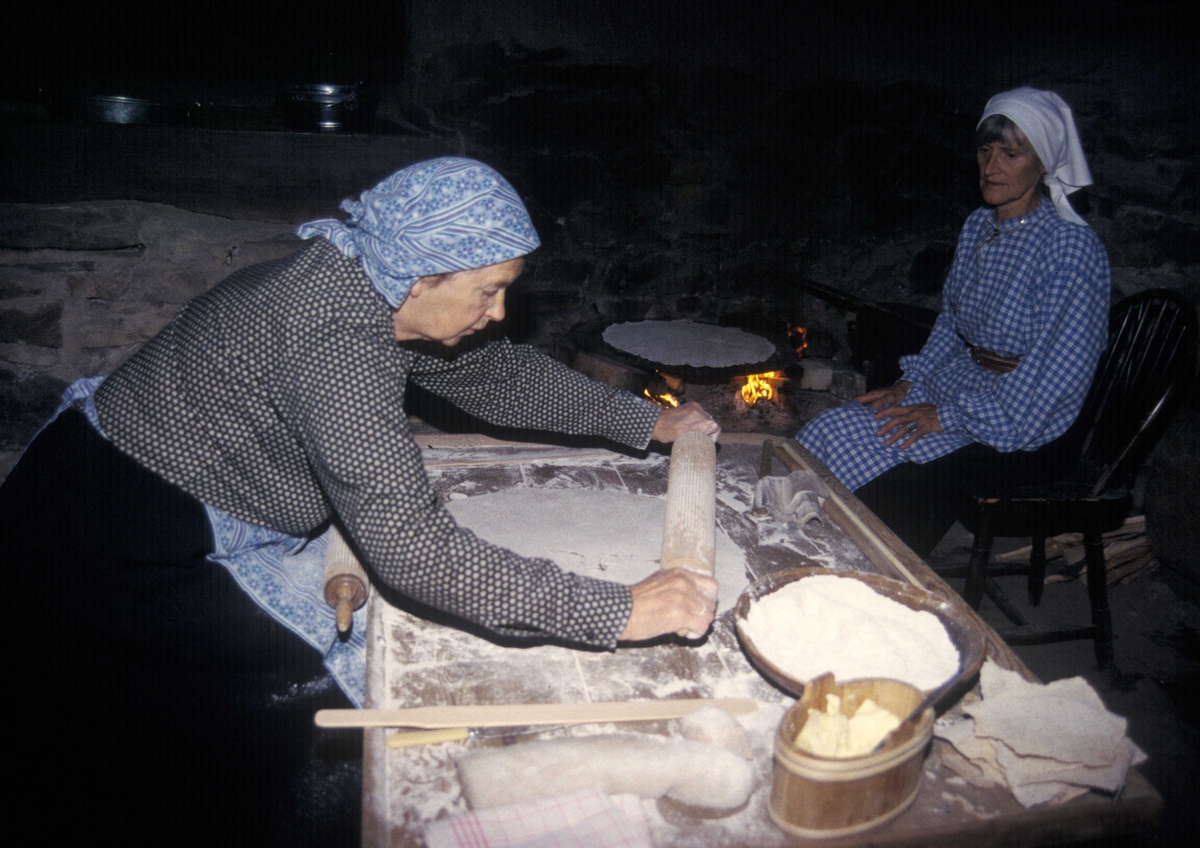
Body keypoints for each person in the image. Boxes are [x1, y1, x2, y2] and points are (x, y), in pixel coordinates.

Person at [0, 157, 720, 844]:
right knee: (310, 717)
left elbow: (493, 376)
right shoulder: (337, 341)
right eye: (488, 290)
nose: (499, 312)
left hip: (125, 483)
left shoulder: (366, 278)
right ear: (419, 280)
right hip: (110, 540)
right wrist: (621, 609)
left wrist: (643, 421)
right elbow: (415, 551)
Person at [798, 87, 1111, 555]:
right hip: (965, 384)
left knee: (894, 475)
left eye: (1010, 153)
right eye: (985, 150)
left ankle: (866, 575)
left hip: (1026, 417)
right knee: (829, 432)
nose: (991, 166)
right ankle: (796, 542)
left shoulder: (1068, 248)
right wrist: (911, 383)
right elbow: (951, 325)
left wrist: (945, 416)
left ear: (1043, 163)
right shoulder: (979, 226)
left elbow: (1053, 378)